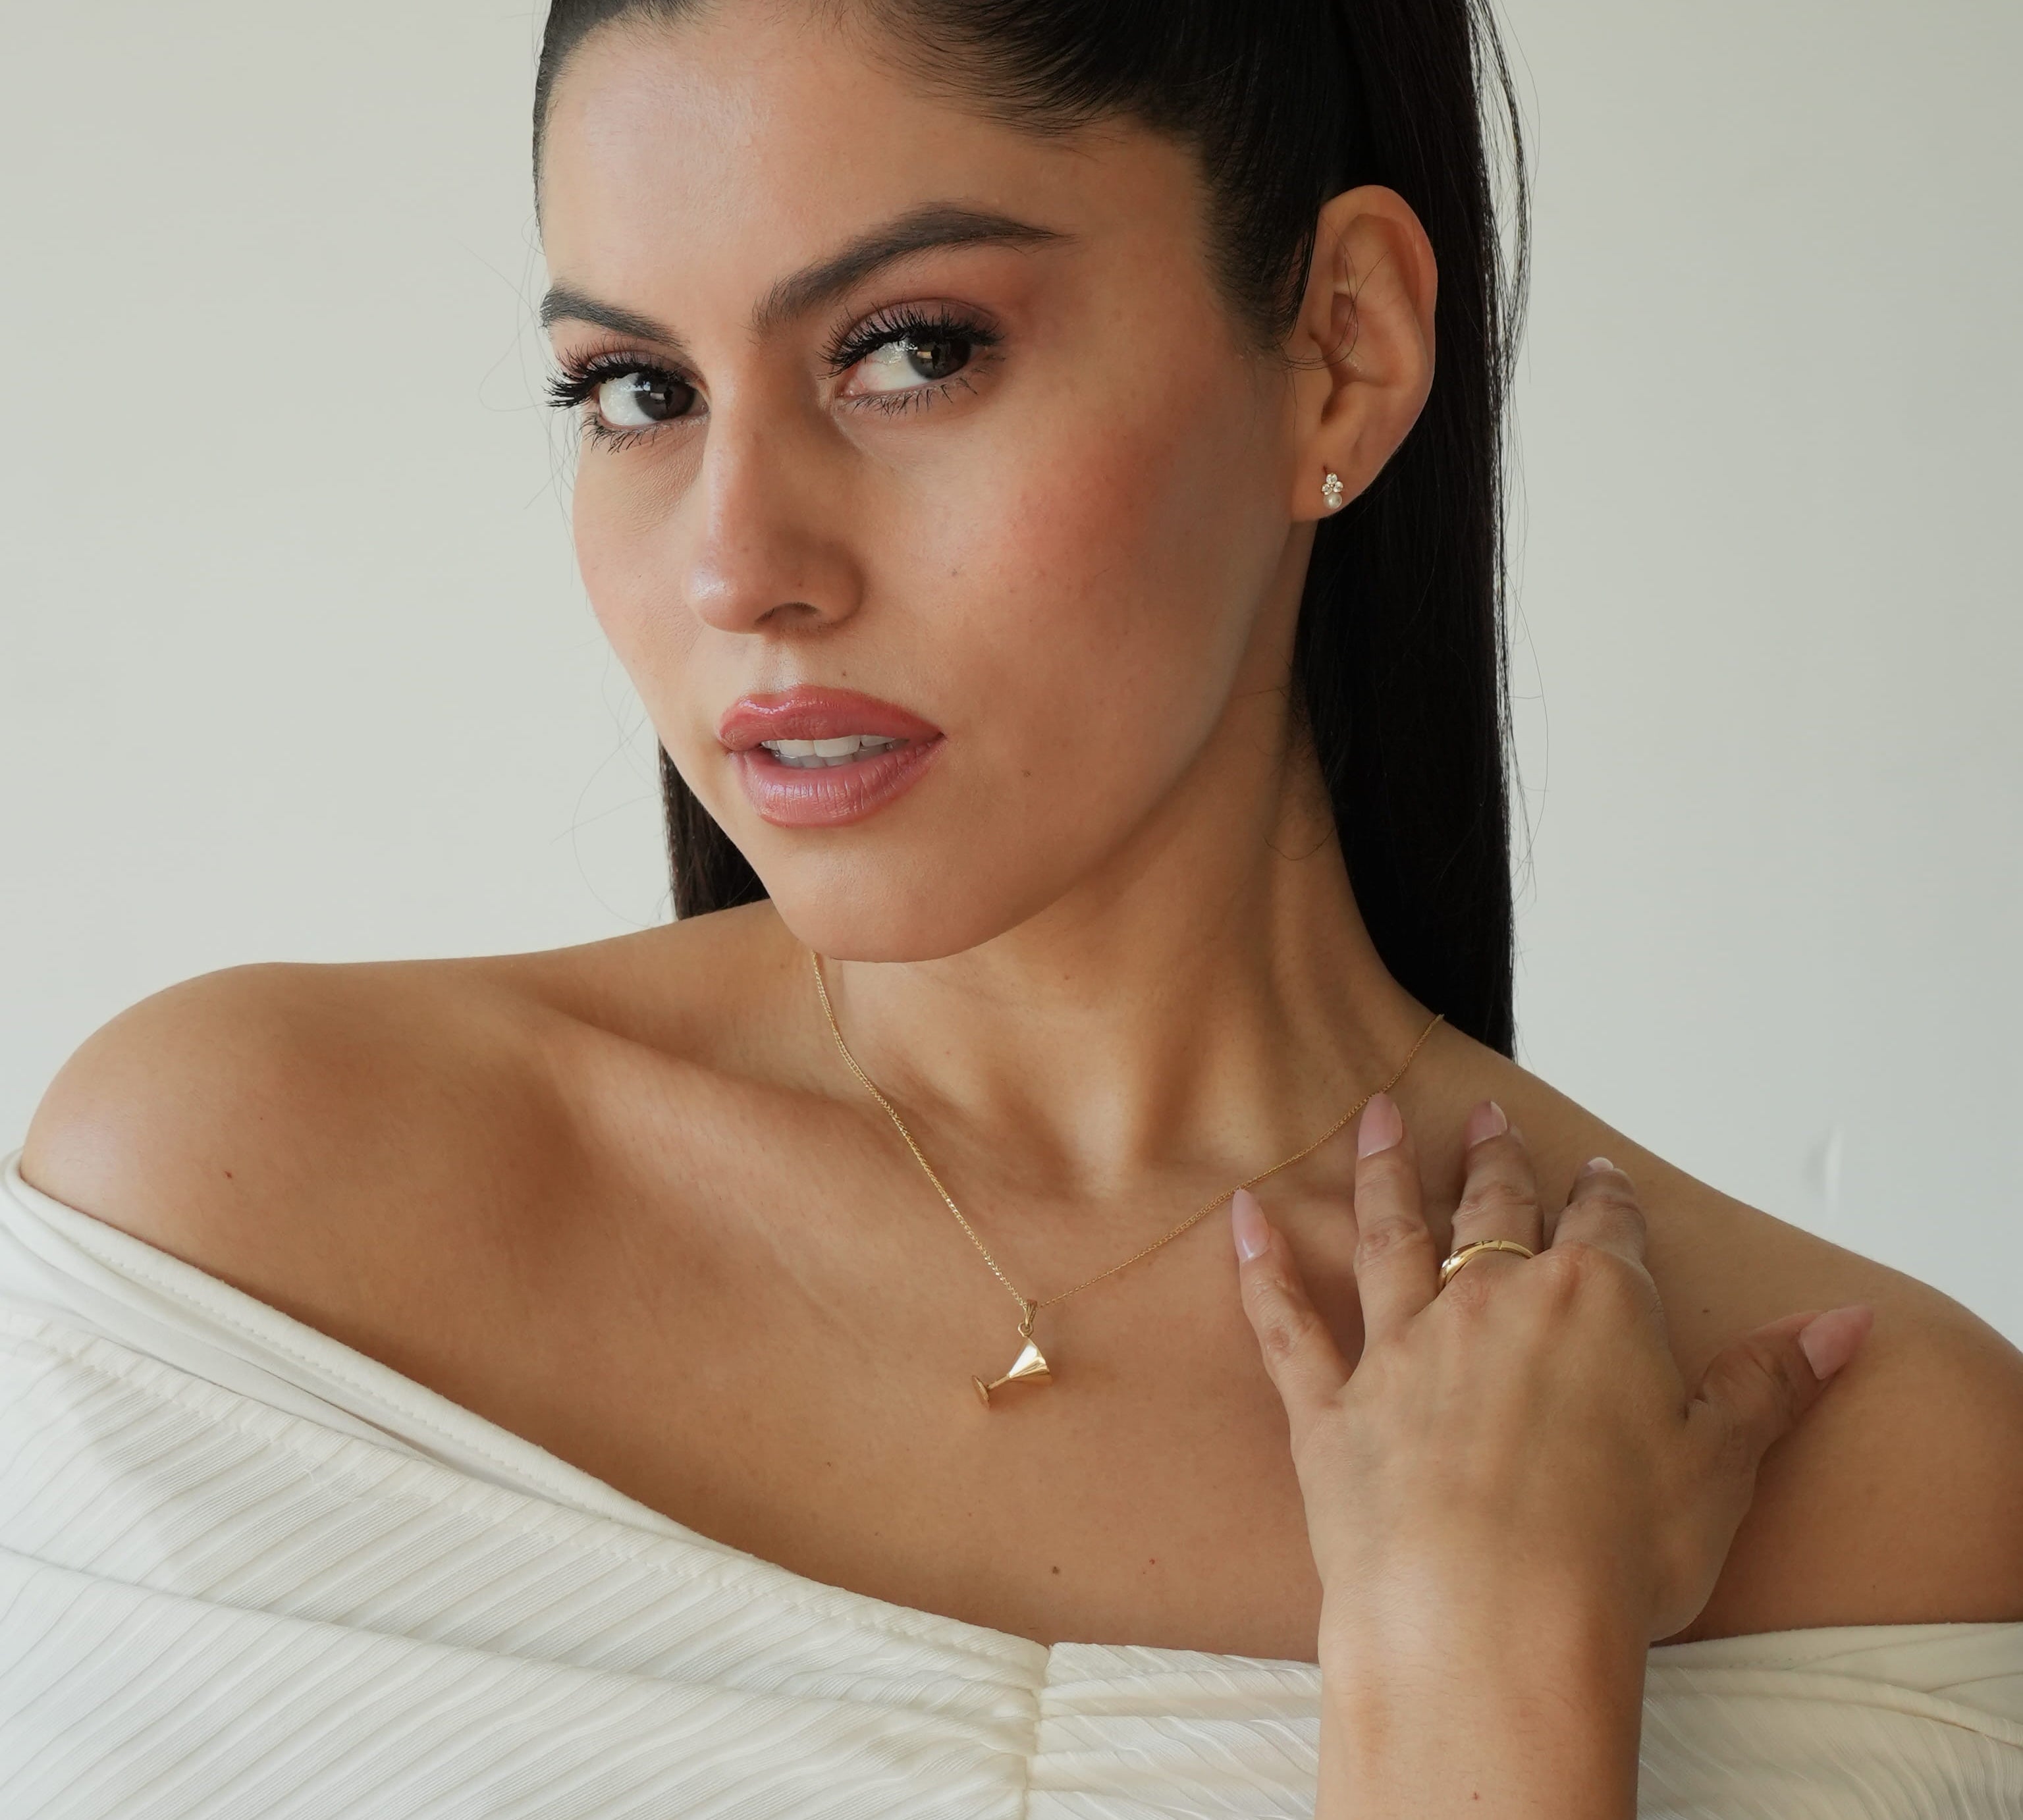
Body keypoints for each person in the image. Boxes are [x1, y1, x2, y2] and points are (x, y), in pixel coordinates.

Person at [5, 1, 2020, 1813]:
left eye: (907, 351)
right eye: (634, 390)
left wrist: (1492, 1652)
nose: (740, 568)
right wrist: (1472, 1682)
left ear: (1342, 348)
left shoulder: (1859, 1473)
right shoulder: (242, 1232)